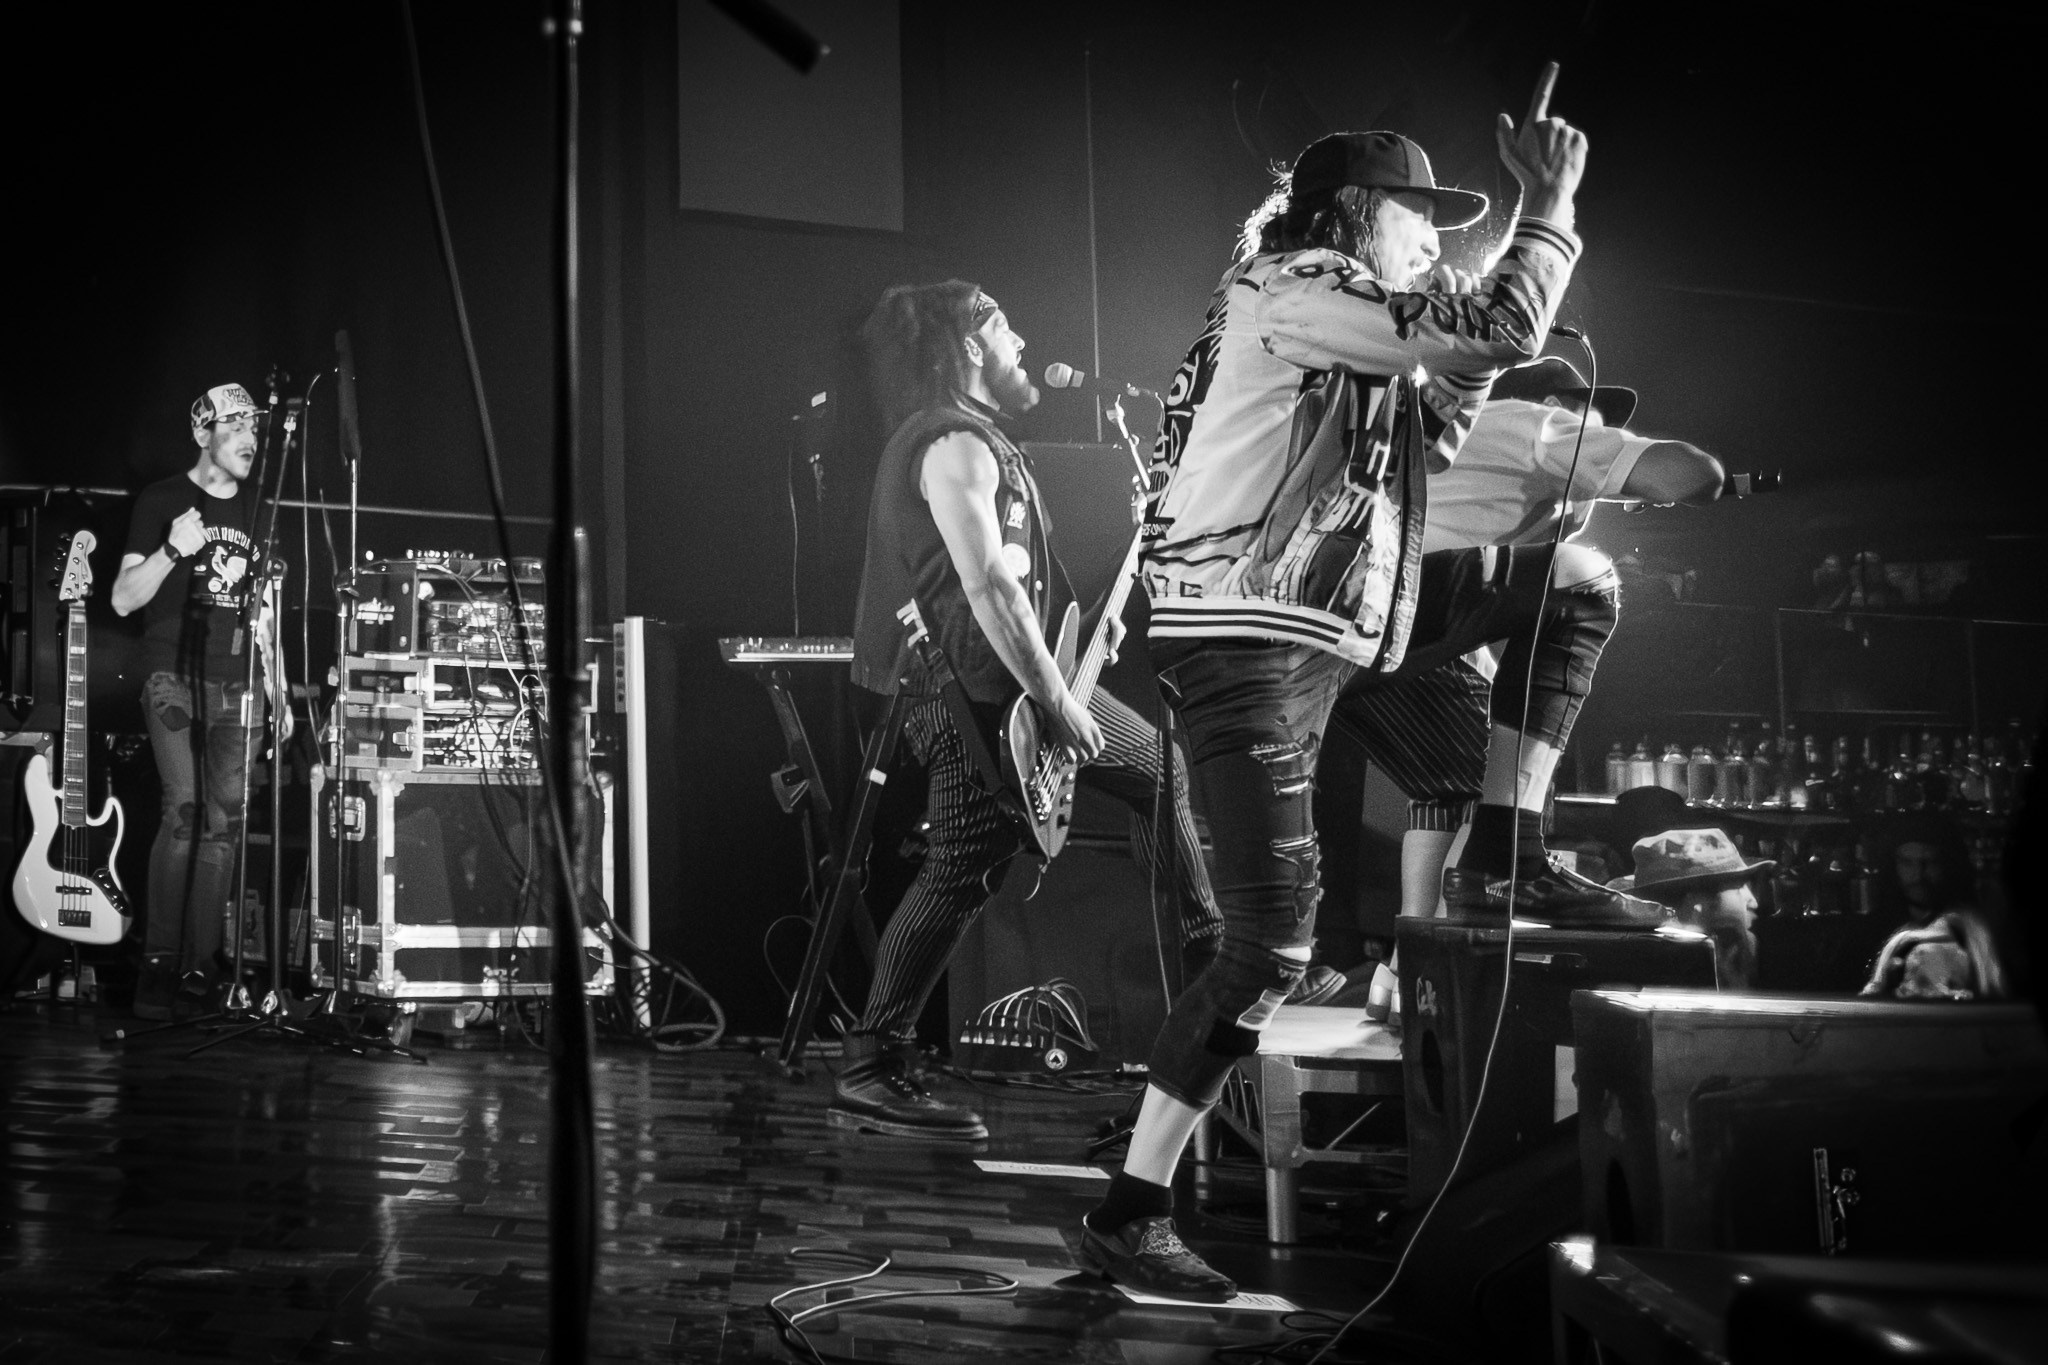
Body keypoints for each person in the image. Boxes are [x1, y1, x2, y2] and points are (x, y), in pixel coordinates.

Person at [1084, 99, 1590, 1301]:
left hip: (1338, 628)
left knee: (1574, 580)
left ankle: (1507, 847)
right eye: (1419, 217)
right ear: (1360, 215)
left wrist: (1464, 366)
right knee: (1269, 944)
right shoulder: (1293, 285)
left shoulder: (1346, 328)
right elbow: (1493, 325)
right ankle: (1129, 1213)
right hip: (1246, 640)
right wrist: (1546, 210)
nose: (1433, 240)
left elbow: (1435, 428)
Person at [835, 281, 1256, 1143]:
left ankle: (1216, 959)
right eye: (1003, 325)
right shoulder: (950, 444)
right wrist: (1060, 700)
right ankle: (872, 1063)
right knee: (962, 865)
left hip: (1018, 687)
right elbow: (988, 585)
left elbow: (1028, 594)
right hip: (964, 696)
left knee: (1158, 770)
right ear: (967, 347)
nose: (1022, 341)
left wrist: (1098, 612)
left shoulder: (985, 442)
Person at [1330, 356, 1727, 923]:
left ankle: (1413, 954)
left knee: (1465, 778)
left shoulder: (1450, 439)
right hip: (1394, 608)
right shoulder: (1536, 423)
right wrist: (1624, 472)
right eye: (1595, 420)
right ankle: (1511, 866)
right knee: (1588, 578)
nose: (1603, 433)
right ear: (1556, 407)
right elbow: (1696, 475)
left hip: (1342, 631)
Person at [111, 383, 280, 1021]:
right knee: (182, 809)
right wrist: (172, 549)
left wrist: (279, 686)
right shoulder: (161, 500)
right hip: (172, 677)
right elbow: (123, 599)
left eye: (254, 429)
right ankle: (157, 963)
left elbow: (268, 611)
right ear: (203, 433)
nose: (249, 440)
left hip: (241, 683)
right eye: (235, 427)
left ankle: (200, 967)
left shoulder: (262, 510)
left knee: (223, 825)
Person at [1627, 827, 1774, 989]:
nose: (1752, 902)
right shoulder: (1663, 975)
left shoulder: (1741, 952)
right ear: (1694, 904)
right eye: (1739, 887)